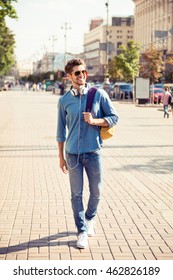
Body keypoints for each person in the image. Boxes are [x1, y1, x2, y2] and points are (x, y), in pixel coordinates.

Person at [56, 58, 119, 249]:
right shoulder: (64, 100)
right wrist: (61, 157)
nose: (82, 76)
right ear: (69, 76)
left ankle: (90, 217)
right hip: (72, 154)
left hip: (93, 152)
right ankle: (82, 230)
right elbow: (60, 131)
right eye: (77, 73)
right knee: (76, 194)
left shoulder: (98, 94)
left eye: (84, 72)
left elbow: (114, 117)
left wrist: (95, 121)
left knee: (97, 191)